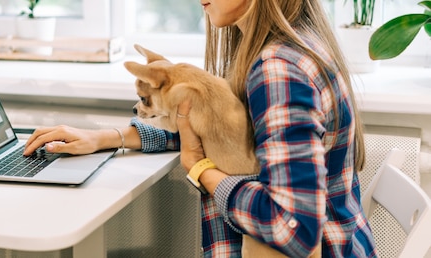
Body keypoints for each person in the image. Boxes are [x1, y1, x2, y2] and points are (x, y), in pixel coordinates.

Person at [23, 0, 378, 257]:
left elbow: (293, 232)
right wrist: (108, 138)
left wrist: (201, 170)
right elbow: (222, 131)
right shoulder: (283, 46)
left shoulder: (278, 71)